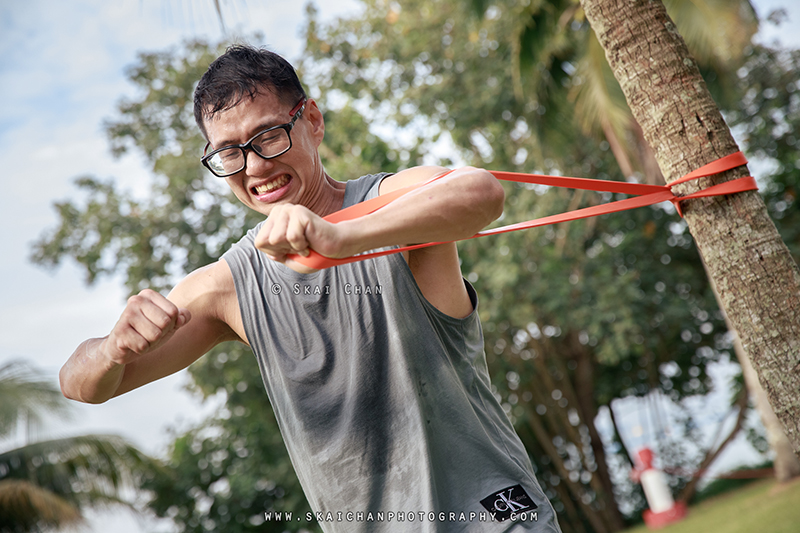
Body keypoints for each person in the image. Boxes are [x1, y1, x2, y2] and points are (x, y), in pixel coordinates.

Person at [59, 44, 561, 532]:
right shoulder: (228, 285)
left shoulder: (391, 206)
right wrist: (111, 349)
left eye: (269, 136)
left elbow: (480, 192)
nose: (255, 166)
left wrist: (342, 238)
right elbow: (81, 385)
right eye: (229, 153)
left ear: (312, 121)